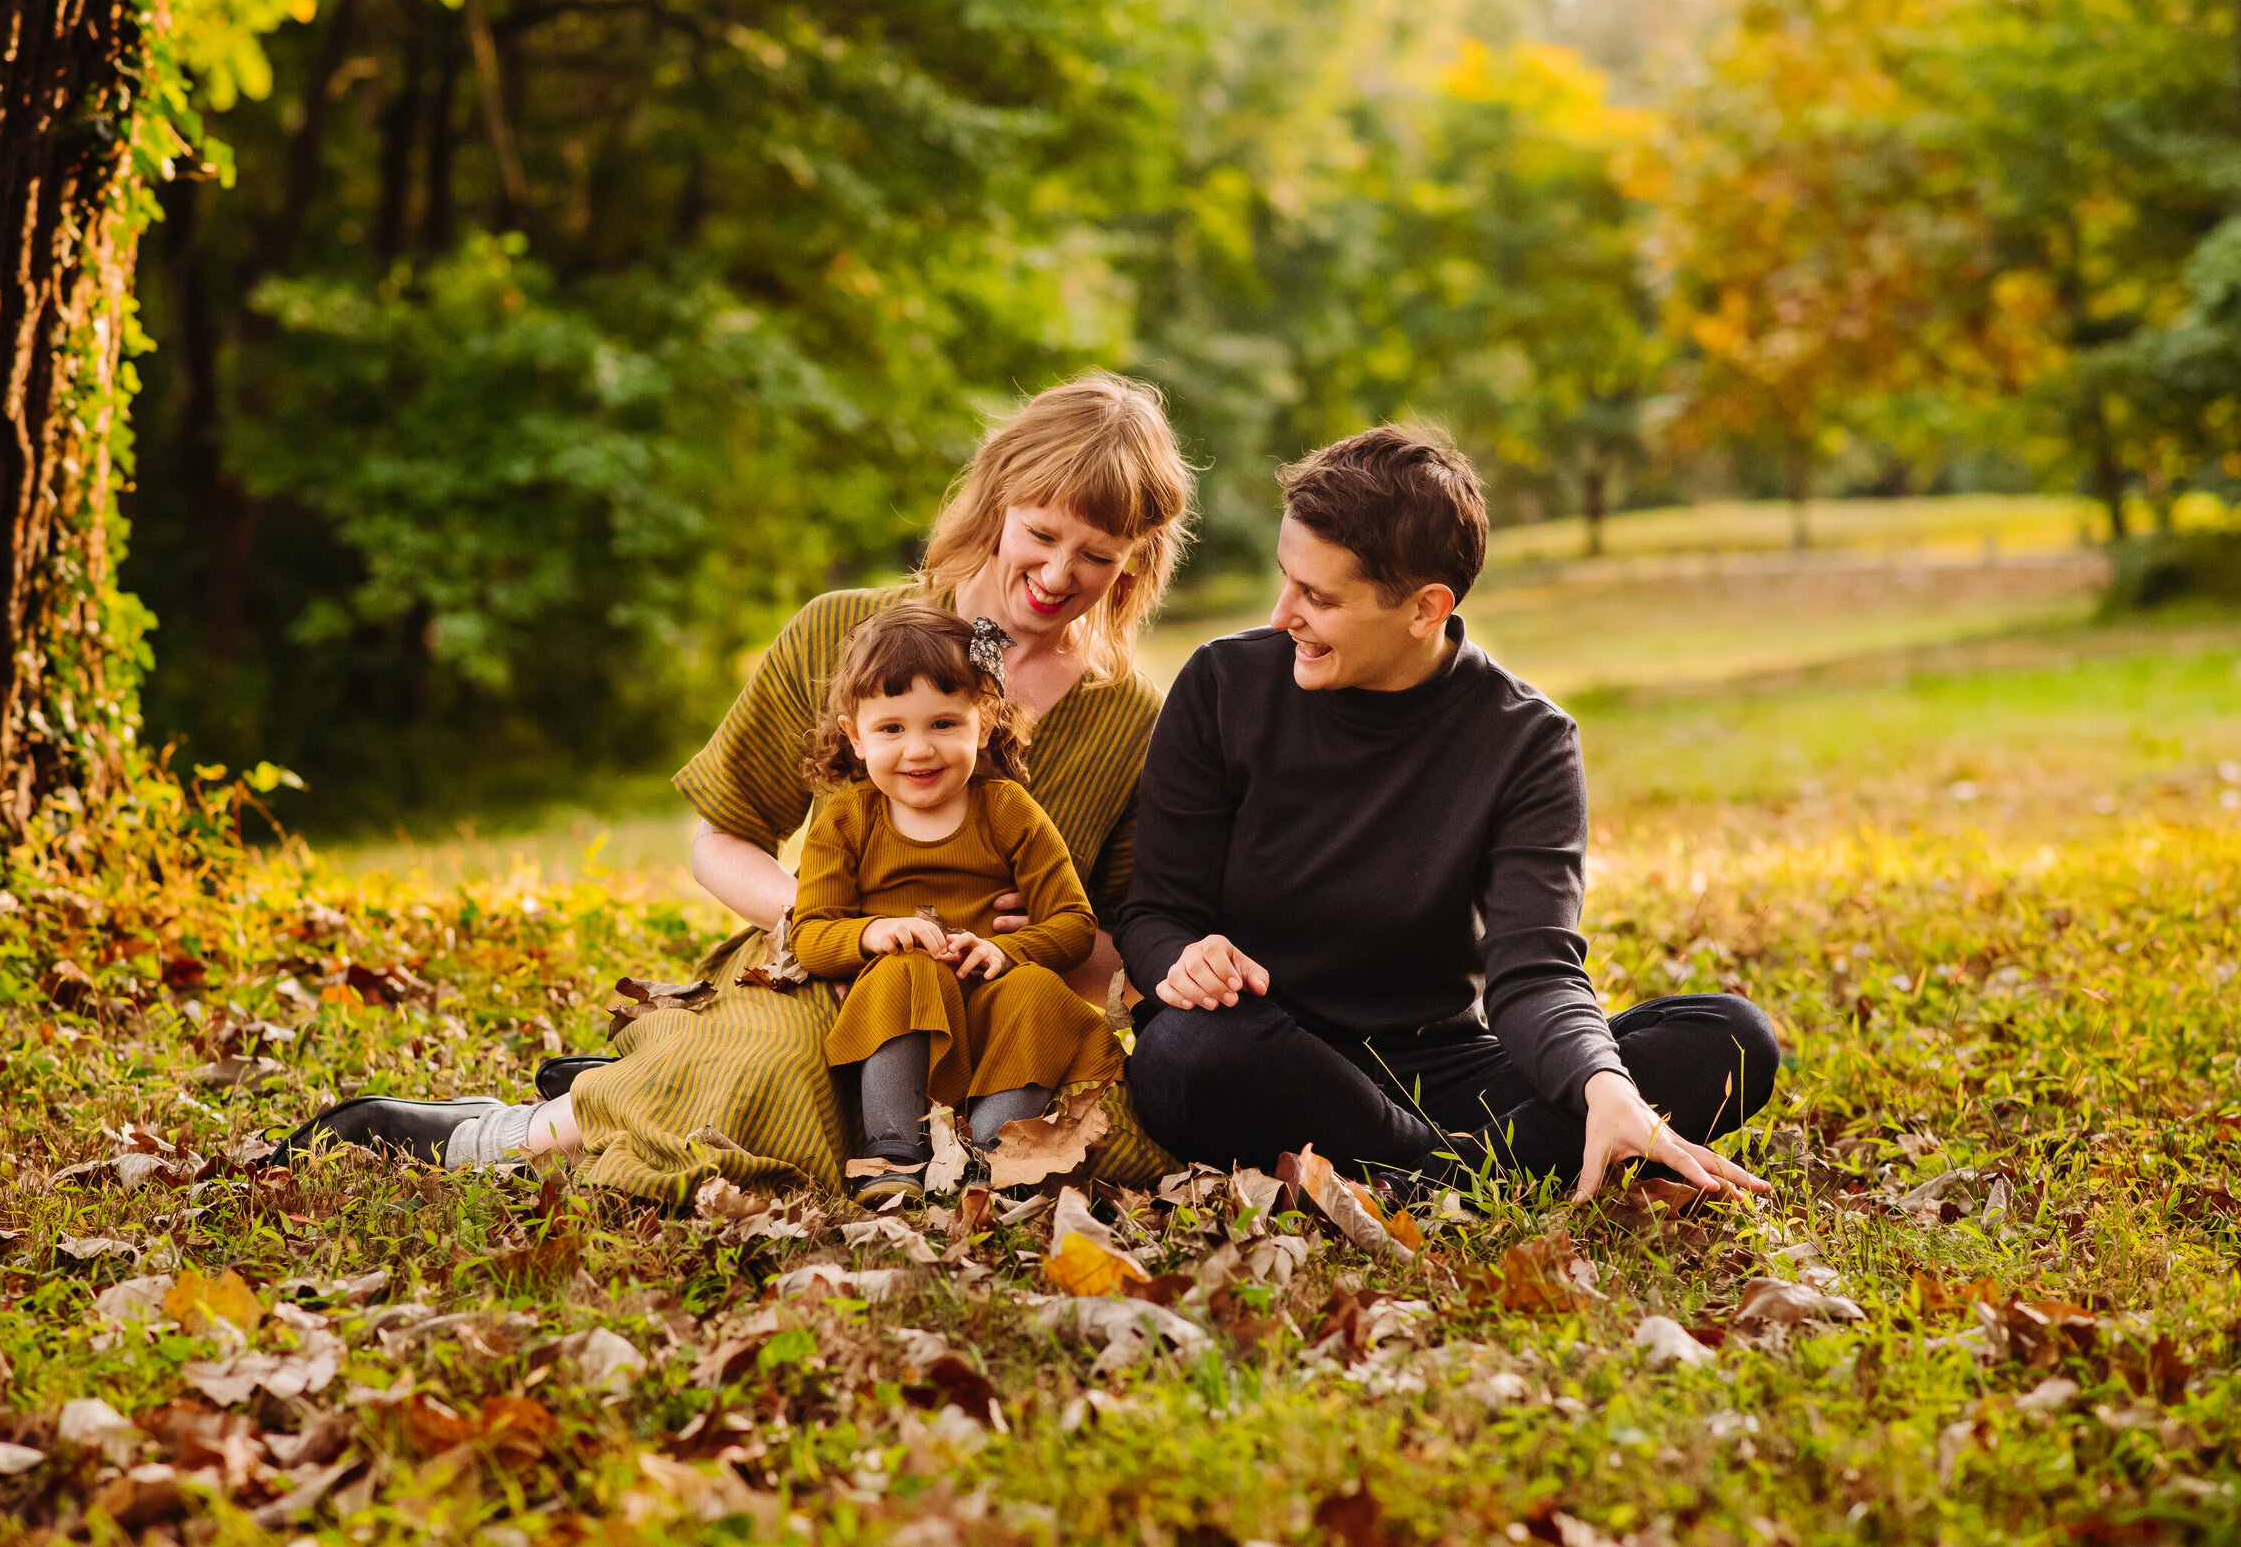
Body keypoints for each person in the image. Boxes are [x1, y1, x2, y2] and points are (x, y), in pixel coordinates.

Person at [278, 371, 1193, 1196]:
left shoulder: (1133, 719)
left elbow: (1126, 938)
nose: (1058, 574)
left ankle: (665, 1076)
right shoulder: (845, 631)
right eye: (1041, 534)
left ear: (1137, 559)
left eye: (1098, 554)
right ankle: (501, 1134)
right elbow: (721, 838)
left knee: (1116, 1149)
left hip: (999, 1015)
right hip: (826, 967)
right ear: (996, 502)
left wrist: (1046, 943)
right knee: (773, 1082)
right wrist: (833, 923)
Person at [1116, 425, 1779, 1202]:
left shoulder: (1526, 741)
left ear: (1426, 607)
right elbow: (1156, 913)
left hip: (1439, 1067)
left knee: (1733, 1041)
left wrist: (1603, 1085)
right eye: (1286, 579)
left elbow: (1533, 972)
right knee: (1183, 1053)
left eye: (1318, 597)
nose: (1279, 615)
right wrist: (1184, 961)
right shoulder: (1223, 686)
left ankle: (1414, 1172)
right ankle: (1477, 1172)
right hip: (1264, 1049)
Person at [792, 603, 1124, 1204]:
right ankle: (892, 1151)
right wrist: (870, 935)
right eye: (891, 728)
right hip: (900, 1022)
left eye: (944, 724)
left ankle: (996, 1156)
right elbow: (810, 933)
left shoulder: (1007, 810)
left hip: (990, 1012)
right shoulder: (847, 819)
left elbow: (1074, 924)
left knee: (1040, 991)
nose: (919, 750)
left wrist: (1003, 949)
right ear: (854, 736)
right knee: (907, 969)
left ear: (986, 718)